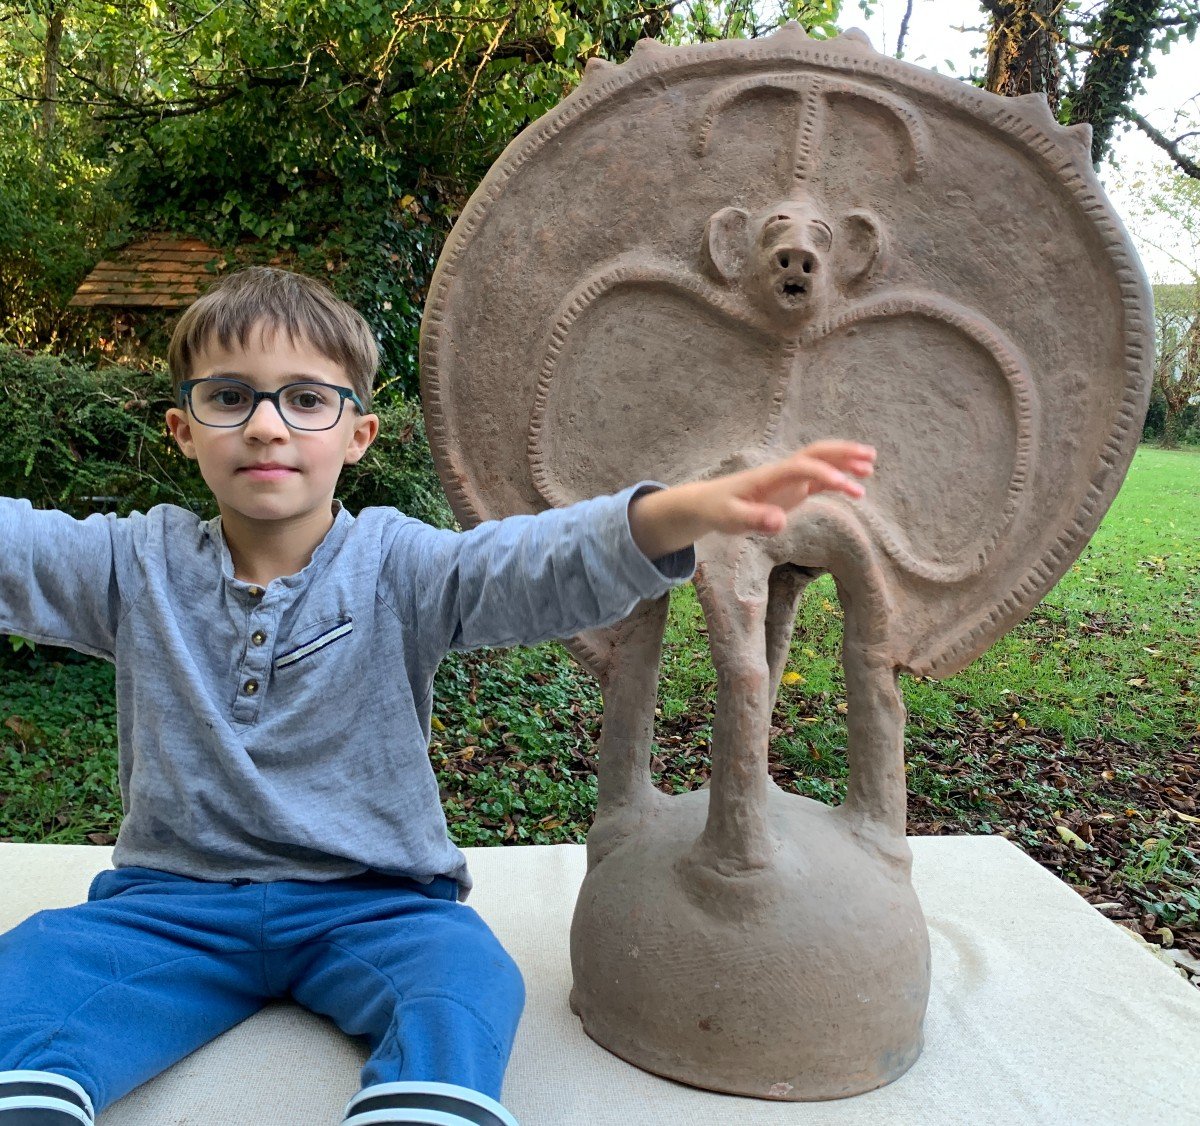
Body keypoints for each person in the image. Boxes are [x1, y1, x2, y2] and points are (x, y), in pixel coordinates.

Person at [0, 267, 875, 1126]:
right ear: (183, 429)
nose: (267, 426)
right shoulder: (132, 564)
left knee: (467, 977)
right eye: (230, 396)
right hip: (171, 905)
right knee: (31, 967)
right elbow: (17, 546)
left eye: (307, 400)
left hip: (375, 902)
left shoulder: (401, 564)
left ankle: (417, 1107)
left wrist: (672, 515)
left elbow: (526, 564)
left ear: (360, 434)